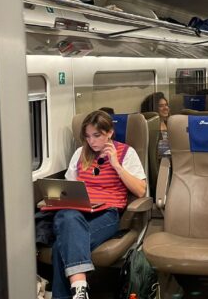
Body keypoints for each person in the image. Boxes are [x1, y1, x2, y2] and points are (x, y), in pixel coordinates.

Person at [52, 110, 147, 299]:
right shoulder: (80, 153)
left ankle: (77, 290)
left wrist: (116, 165)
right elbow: (69, 187)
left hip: (107, 214)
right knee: (67, 215)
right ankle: (80, 290)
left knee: (60, 246)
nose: (91, 141)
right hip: (78, 213)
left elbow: (140, 191)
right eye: (87, 136)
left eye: (96, 135)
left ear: (109, 132)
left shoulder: (126, 153)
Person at [141, 92, 170, 158]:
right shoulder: (148, 127)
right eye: (161, 106)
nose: (166, 108)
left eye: (166, 105)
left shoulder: (169, 123)